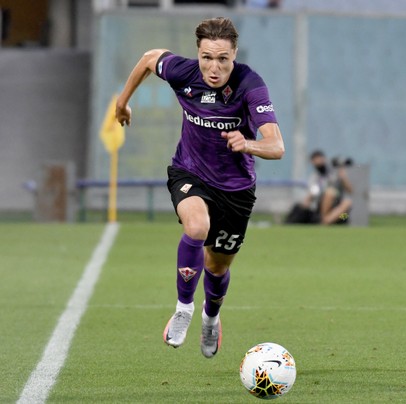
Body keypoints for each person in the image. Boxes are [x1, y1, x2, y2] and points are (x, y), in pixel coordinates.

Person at [115, 17, 284, 358]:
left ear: (234, 54)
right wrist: (122, 101)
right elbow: (150, 58)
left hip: (236, 189)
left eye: (222, 58)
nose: (214, 66)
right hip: (189, 171)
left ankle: (211, 317)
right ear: (198, 54)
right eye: (207, 57)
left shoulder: (250, 84)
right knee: (196, 225)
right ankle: (184, 309)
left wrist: (247, 143)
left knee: (218, 267)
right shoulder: (184, 73)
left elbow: (276, 146)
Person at [285, 150, 352, 225]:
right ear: (312, 162)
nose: (319, 162)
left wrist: (343, 178)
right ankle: (325, 221)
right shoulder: (314, 178)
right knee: (329, 193)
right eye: (316, 160)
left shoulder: (335, 173)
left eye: (320, 159)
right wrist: (308, 200)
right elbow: (313, 193)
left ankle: (325, 222)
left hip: (339, 215)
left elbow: (350, 191)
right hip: (321, 212)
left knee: (346, 208)